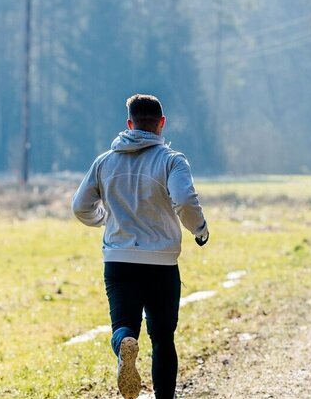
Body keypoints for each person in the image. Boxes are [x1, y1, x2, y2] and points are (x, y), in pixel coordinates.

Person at [71, 94, 210, 399]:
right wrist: (199, 229)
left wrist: (105, 220)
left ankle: (123, 343)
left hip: (119, 260)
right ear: (162, 124)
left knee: (123, 325)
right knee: (162, 339)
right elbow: (185, 200)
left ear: (129, 124)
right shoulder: (172, 160)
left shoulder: (104, 162)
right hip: (161, 263)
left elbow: (80, 207)